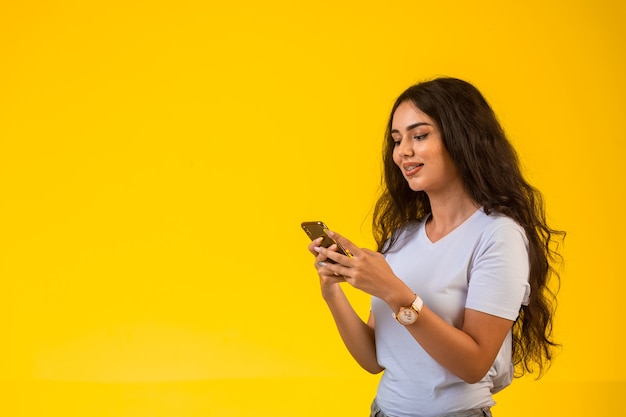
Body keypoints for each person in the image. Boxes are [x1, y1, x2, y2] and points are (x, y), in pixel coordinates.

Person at [306, 77, 564, 417]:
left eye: (420, 135)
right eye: (397, 140)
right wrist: (332, 291)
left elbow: (473, 364)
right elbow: (372, 360)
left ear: (462, 138)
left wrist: (396, 292)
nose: (403, 152)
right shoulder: (401, 239)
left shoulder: (497, 236)